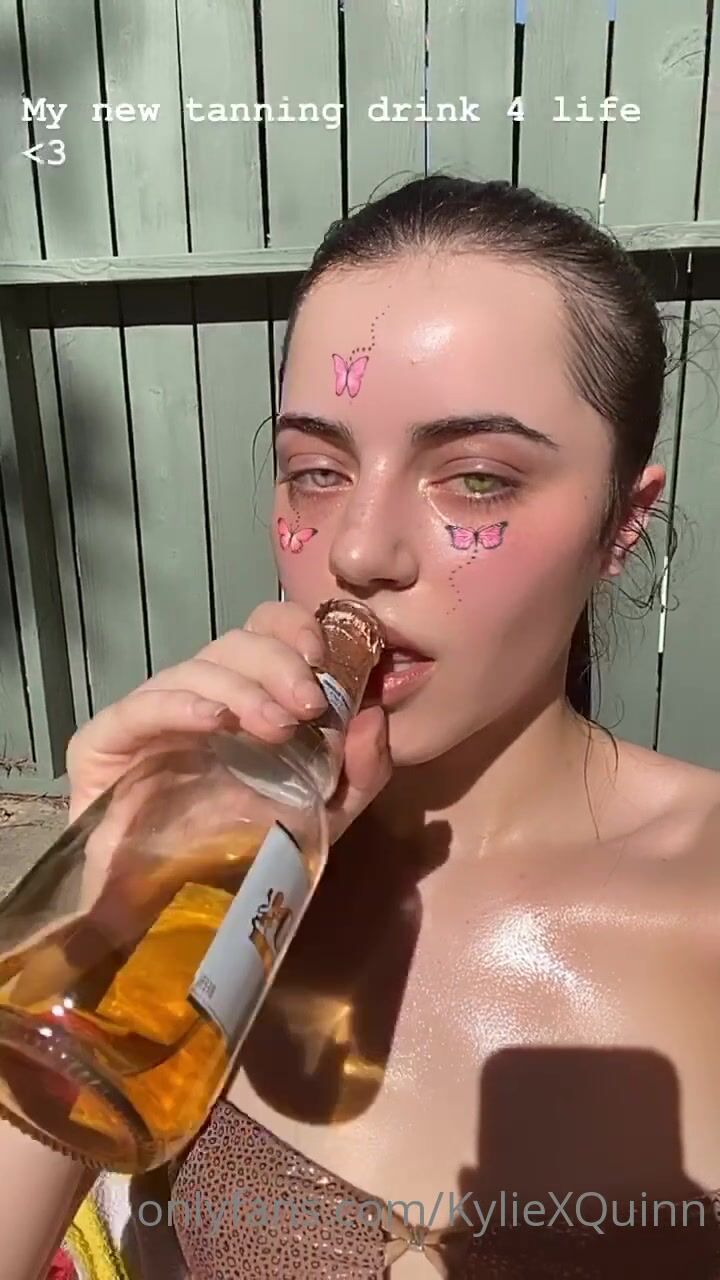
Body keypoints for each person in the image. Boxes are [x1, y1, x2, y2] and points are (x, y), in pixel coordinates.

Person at [3, 174, 720, 1280]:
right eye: (316, 470)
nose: (359, 549)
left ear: (624, 521)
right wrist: (108, 895)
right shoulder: (219, 875)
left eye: (475, 477)